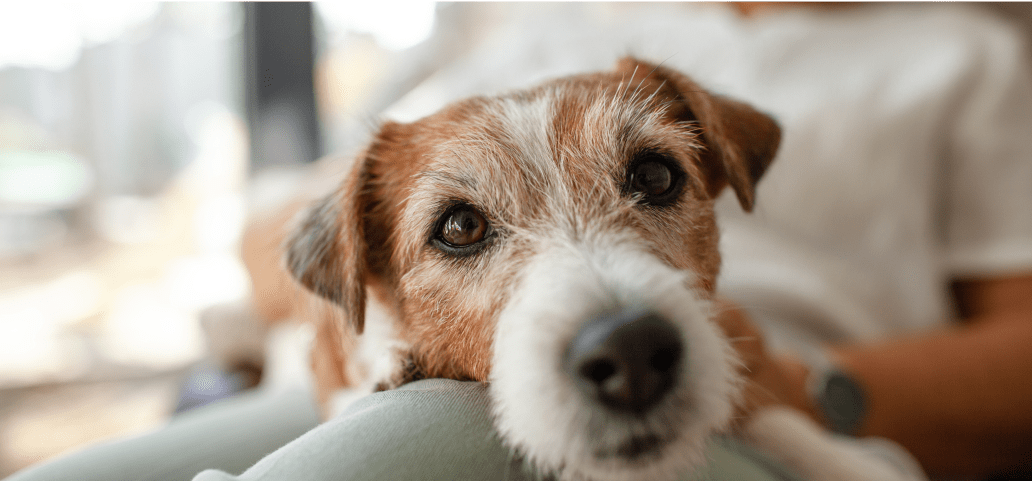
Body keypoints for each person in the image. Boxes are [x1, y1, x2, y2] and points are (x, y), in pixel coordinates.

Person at [7, 3, 1032, 480]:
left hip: (754, 398)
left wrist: (813, 386)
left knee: (405, 446)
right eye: (464, 226)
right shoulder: (539, 31)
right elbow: (281, 229)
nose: (608, 233)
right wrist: (353, 329)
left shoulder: (962, 54)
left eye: (653, 177)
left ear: (727, 177)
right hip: (435, 374)